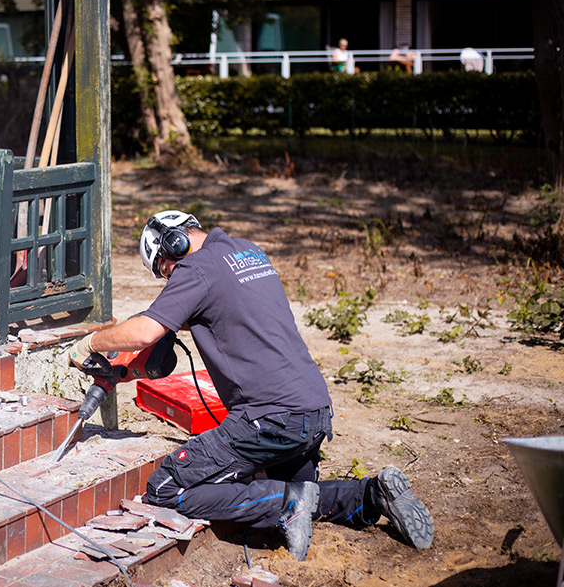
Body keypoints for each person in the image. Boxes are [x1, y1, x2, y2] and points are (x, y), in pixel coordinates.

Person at [68, 210, 434, 561]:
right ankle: (372, 495)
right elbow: (218, 312)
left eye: (164, 269)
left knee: (167, 488)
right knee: (298, 491)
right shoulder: (246, 250)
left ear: (174, 244)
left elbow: (148, 329)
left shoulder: (195, 268)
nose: (169, 279)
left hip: (269, 420)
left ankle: (287, 503)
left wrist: (92, 343)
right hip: (312, 412)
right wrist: (133, 370)